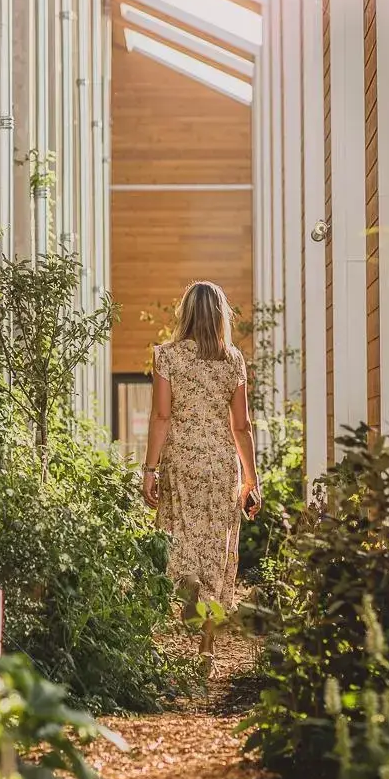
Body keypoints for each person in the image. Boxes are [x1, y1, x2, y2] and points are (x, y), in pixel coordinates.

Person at [142, 281, 261, 666]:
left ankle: (187, 582)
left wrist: (149, 469)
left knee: (180, 532)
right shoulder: (233, 361)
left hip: (182, 459)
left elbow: (161, 416)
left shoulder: (168, 357)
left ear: (187, 314)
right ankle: (207, 644)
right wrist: (250, 480)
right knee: (217, 545)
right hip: (222, 464)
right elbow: (241, 426)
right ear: (221, 316)